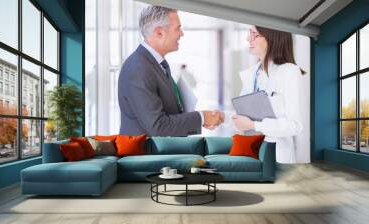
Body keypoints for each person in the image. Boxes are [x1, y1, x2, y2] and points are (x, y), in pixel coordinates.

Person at [118, 6, 224, 136]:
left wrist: (201, 119)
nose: (181, 34)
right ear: (159, 33)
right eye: (178, 28)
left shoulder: (156, 64)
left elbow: (169, 113)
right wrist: (201, 117)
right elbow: (158, 126)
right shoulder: (138, 68)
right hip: (147, 154)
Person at [232, 26, 310, 164]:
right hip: (251, 151)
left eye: (254, 34)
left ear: (272, 37)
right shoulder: (251, 74)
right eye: (249, 33)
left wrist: (254, 125)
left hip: (277, 156)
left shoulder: (290, 72)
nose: (248, 38)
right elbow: (242, 115)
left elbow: (295, 125)